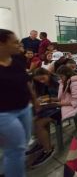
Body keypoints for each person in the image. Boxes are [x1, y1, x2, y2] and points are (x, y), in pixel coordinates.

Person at [30, 65, 77, 167]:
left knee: (39, 122)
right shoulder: (63, 82)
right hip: (62, 105)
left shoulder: (72, 83)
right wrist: (48, 100)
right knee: (38, 115)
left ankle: (48, 149)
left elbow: (75, 102)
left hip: (68, 108)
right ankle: (42, 142)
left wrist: (57, 103)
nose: (41, 81)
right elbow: (60, 97)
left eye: (42, 78)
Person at [0, 29, 35, 177]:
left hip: (24, 107)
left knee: (23, 143)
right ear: (2, 44)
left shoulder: (18, 60)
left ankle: (7, 169)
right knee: (16, 149)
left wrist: (34, 100)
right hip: (4, 113)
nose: (18, 45)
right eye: (14, 42)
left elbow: (26, 81)